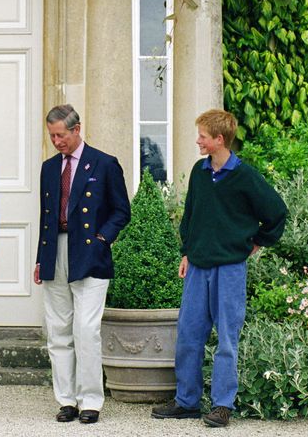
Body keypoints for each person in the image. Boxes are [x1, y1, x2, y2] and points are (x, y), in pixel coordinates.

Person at [151, 109, 288, 428]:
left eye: (202, 136)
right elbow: (191, 215)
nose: (197, 141)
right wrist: (186, 251)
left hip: (229, 269)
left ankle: (223, 405)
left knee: (226, 338)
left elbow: (276, 212)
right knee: (188, 335)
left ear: (219, 139)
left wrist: (258, 241)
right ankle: (186, 401)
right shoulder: (199, 172)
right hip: (198, 267)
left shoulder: (245, 176)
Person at [34, 104, 131, 424]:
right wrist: (40, 259)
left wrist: (102, 239)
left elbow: (122, 211)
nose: (56, 141)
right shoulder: (49, 168)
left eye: (61, 135)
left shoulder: (104, 163)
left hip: (90, 253)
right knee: (58, 331)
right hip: (55, 252)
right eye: (52, 136)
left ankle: (90, 400)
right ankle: (66, 400)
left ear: (77, 129)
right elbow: (46, 218)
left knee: (86, 330)